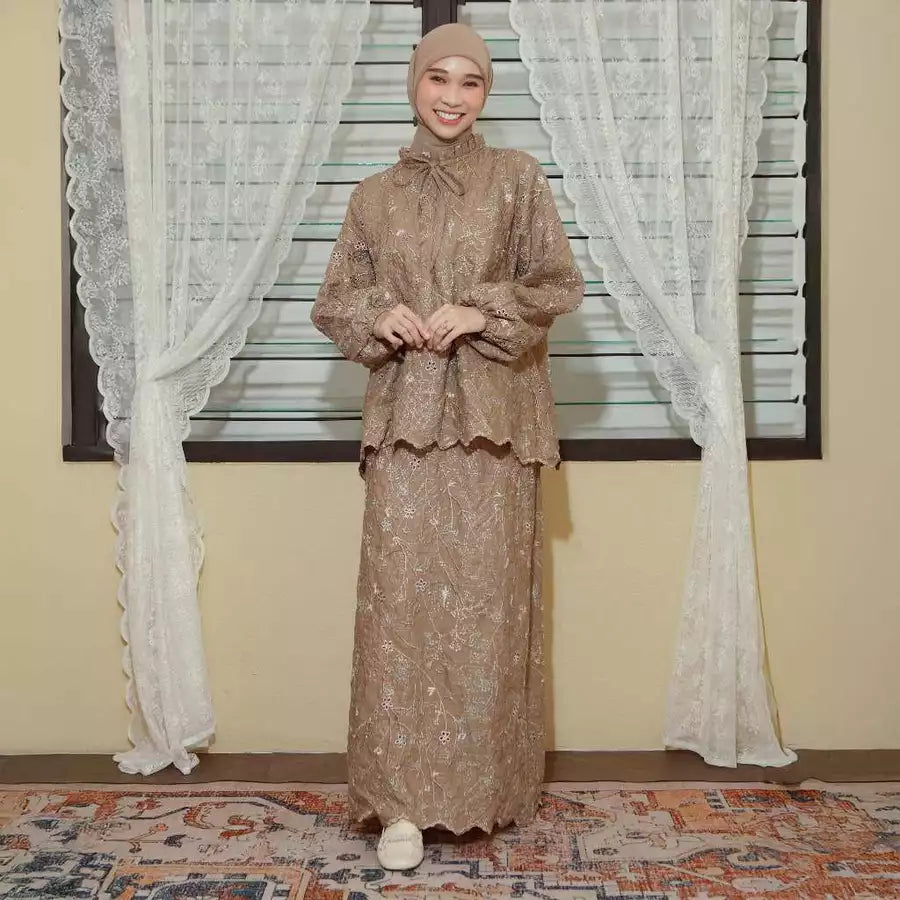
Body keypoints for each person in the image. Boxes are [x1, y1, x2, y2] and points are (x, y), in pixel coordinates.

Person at [311, 22, 584, 871]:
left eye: (472, 81)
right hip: (406, 418)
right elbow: (334, 300)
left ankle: (483, 793)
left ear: (487, 92)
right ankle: (399, 804)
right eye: (439, 78)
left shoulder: (518, 179)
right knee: (400, 613)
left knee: (485, 612)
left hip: (495, 426)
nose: (453, 96)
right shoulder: (372, 196)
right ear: (414, 83)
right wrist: (378, 315)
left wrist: (479, 308)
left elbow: (558, 283)